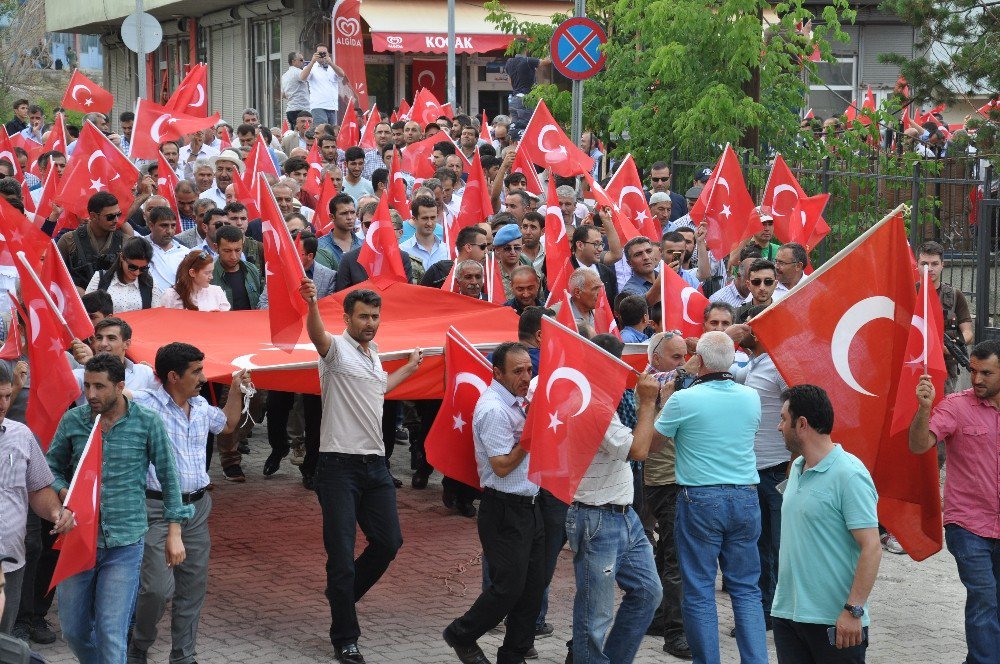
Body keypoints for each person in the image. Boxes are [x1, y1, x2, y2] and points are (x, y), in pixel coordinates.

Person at [299, 283, 422, 664]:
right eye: (363, 316)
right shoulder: (335, 351)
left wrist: (410, 368)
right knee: (340, 555)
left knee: (388, 543)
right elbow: (317, 336)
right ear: (347, 318)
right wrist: (310, 304)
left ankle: (342, 596)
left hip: (376, 467)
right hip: (337, 468)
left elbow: (381, 389)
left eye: (374, 317)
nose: (370, 323)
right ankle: (345, 638)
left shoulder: (373, 355)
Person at [47, 353, 191, 664]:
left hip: (125, 543)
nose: (91, 394)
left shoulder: (147, 421)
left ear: (120, 386)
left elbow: (169, 475)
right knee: (73, 631)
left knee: (111, 633)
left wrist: (174, 530)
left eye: (99, 386)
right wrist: (65, 493)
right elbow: (52, 468)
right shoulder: (74, 420)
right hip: (78, 539)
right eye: (87, 386)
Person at [127, 344, 251, 664]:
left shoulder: (200, 405)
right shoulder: (145, 403)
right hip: (154, 510)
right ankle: (138, 645)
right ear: (172, 376)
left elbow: (227, 424)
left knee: (192, 589)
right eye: (196, 371)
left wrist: (236, 389)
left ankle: (183, 656)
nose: (203, 377)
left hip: (196, 509)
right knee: (156, 589)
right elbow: (116, 401)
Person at [653, 331, 767, 664]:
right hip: (745, 496)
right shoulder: (751, 397)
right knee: (746, 590)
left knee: (700, 591)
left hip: (700, 498)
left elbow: (652, 446)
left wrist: (672, 389)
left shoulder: (684, 400)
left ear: (698, 360)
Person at [443, 342, 544, 664]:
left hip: (529, 505)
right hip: (503, 509)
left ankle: (513, 655)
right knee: (508, 589)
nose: (526, 377)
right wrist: (529, 439)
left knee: (531, 588)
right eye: (518, 371)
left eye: (529, 369)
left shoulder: (518, 401)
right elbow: (501, 465)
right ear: (497, 373)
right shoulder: (492, 409)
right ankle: (461, 634)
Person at [564, 336, 662, 663]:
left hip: (622, 514)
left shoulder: (601, 399)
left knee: (648, 592)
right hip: (597, 518)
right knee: (595, 614)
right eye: (618, 365)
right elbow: (639, 450)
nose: (624, 373)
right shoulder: (592, 405)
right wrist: (647, 402)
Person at [773, 385, 881, 664]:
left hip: (835, 622)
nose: (778, 426)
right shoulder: (797, 468)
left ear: (802, 424)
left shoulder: (849, 474)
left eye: (783, 419)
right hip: (788, 615)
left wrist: (853, 610)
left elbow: (871, 547)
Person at [909, 340, 1000, 664]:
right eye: (973, 371)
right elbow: (920, 445)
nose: (976, 380)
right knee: (984, 598)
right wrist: (923, 410)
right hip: (968, 525)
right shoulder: (955, 406)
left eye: (986, 373)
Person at [0, 363, 74, 635]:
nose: (4, 404)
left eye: (7, 396)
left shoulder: (21, 436)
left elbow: (39, 490)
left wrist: (56, 514)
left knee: (4, 643)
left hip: (10, 564)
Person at [734, 307, 790, 636]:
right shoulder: (753, 364)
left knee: (783, 547)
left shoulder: (779, 362)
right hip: (755, 473)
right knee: (761, 546)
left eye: (748, 326)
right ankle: (765, 611)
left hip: (779, 471)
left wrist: (795, 459)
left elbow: (796, 404)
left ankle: (784, 613)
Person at [917, 240, 973, 395]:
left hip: (945, 365)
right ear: (917, 265)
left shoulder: (954, 295)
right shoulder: (909, 293)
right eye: (925, 264)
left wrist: (955, 344)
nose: (930, 268)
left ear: (943, 265)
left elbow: (968, 332)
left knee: (943, 411)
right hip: (914, 363)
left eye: (935, 264)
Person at [69, 317, 159, 406]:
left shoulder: (144, 372)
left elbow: (164, 400)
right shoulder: (80, 374)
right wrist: (91, 364)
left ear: (126, 344)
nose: (103, 344)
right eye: (99, 338)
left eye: (111, 338)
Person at [58, 191, 132, 290]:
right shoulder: (69, 240)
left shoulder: (125, 242)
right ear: (93, 216)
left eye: (118, 215)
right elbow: (55, 275)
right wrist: (74, 290)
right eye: (110, 217)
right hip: (78, 301)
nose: (116, 220)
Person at [85, 236, 162, 313]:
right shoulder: (100, 278)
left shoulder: (151, 284)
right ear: (122, 257)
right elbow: (86, 312)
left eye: (143, 268)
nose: (137, 272)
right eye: (132, 267)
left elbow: (155, 316)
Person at [161, 250, 231, 311]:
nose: (211, 277)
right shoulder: (170, 295)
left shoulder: (217, 292)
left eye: (211, 272)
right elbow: (164, 322)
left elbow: (225, 322)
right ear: (192, 273)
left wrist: (218, 317)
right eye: (207, 273)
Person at [143, 206, 188, 291]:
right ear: (151, 225)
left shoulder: (185, 252)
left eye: (173, 226)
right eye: (164, 225)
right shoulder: (139, 246)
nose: (169, 231)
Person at [300, 44, 347, 126]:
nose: (322, 55)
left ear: (328, 54)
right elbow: (303, 77)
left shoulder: (332, 67)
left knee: (331, 133)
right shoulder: (312, 67)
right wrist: (312, 61)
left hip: (332, 106)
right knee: (322, 131)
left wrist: (330, 63)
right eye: (319, 53)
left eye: (324, 53)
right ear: (315, 54)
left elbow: (342, 74)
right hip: (318, 105)